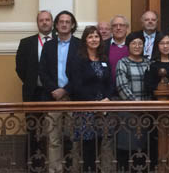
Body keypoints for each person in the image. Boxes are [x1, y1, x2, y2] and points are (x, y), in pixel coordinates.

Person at [39, 10, 80, 173]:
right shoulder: (49, 46)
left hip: (74, 97)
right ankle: (55, 169)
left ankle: (75, 168)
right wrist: (54, 90)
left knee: (75, 138)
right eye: (61, 21)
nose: (64, 24)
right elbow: (42, 71)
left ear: (72, 25)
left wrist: (65, 90)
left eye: (67, 22)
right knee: (53, 139)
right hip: (53, 97)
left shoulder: (79, 45)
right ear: (56, 25)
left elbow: (80, 73)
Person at [69, 26, 114, 171]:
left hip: (103, 109)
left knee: (100, 145)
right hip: (86, 110)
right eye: (90, 37)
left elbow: (110, 83)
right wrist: (94, 103)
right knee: (87, 148)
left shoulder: (104, 59)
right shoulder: (78, 59)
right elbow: (76, 85)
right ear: (85, 40)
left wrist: (106, 99)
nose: (94, 39)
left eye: (96, 36)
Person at [15, 10, 53, 170]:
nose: (44, 22)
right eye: (41, 20)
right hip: (34, 92)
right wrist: (33, 82)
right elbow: (20, 69)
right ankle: (33, 166)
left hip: (54, 94)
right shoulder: (26, 43)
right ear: (37, 23)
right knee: (33, 132)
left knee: (55, 131)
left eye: (47, 20)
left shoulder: (60, 41)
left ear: (52, 22)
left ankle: (55, 166)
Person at [115, 32, 152, 171]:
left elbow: (152, 86)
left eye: (140, 44)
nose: (137, 46)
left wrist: (146, 108)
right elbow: (122, 87)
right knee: (127, 149)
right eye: (134, 43)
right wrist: (137, 105)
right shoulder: (122, 63)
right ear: (128, 46)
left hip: (146, 114)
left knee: (143, 150)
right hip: (128, 112)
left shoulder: (148, 63)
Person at [104, 15, 130, 83]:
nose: (118, 28)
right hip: (108, 88)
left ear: (127, 28)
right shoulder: (103, 46)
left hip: (129, 88)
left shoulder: (133, 45)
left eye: (121, 25)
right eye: (115, 25)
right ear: (111, 29)